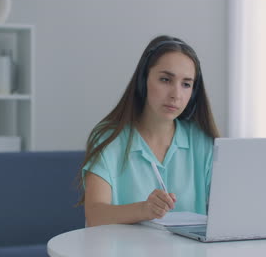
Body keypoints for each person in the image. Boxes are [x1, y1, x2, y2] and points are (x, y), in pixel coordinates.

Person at [80, 35, 219, 227]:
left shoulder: (203, 142)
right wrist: (145, 210)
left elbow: (227, 212)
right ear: (143, 80)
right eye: (165, 79)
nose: (176, 95)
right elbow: (95, 214)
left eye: (186, 84)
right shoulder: (109, 139)